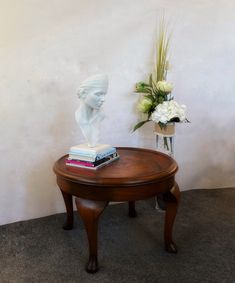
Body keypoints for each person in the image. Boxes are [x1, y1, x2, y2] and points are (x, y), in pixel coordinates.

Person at [75, 74, 108, 147]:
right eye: (98, 94)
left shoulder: (100, 116)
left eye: (104, 95)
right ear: (83, 93)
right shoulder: (80, 118)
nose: (103, 99)